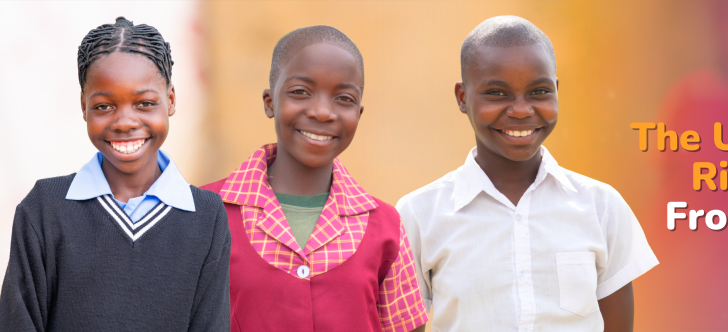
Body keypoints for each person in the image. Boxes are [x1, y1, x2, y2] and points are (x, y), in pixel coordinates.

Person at [396, 15, 658, 331]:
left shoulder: (602, 207)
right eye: (496, 92)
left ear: (556, 91)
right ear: (463, 97)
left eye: (538, 92)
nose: (521, 110)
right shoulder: (419, 216)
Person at [0, 17, 230, 331]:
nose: (124, 121)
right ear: (84, 106)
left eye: (145, 103)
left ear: (171, 100)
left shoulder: (207, 215)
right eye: (105, 106)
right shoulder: (43, 208)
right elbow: (17, 322)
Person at [201, 25, 427, 332]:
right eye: (300, 92)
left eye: (343, 98)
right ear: (270, 102)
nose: (322, 112)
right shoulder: (204, 214)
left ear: (359, 114)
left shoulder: (386, 227)